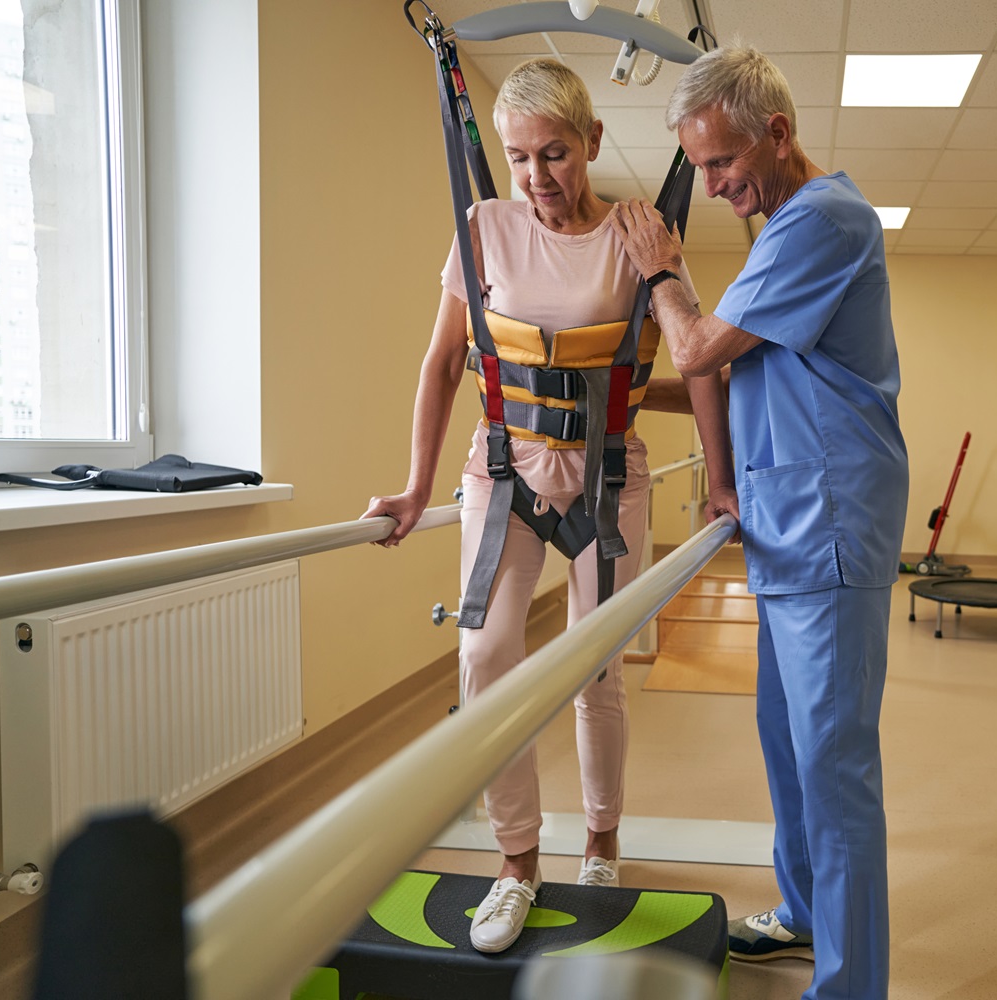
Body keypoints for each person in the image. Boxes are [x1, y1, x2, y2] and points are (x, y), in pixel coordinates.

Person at [363, 58, 696, 955]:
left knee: (596, 667)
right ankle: (516, 860)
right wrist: (415, 485)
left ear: (592, 142)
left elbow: (698, 362)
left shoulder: (640, 232)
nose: (540, 177)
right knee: (485, 653)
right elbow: (441, 364)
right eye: (519, 159)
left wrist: (726, 488)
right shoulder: (482, 230)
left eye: (556, 153)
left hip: (607, 476)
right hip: (503, 471)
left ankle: (600, 839)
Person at [610, 46, 908, 1000]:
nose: (713, 184)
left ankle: (850, 982)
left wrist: (663, 268)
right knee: (786, 737)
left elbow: (697, 343)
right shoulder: (783, 226)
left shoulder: (825, 219)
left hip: (830, 523)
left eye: (721, 162)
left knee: (834, 768)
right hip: (788, 524)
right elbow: (732, 372)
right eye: (699, 168)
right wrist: (609, 394)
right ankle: (808, 915)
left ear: (777, 132)